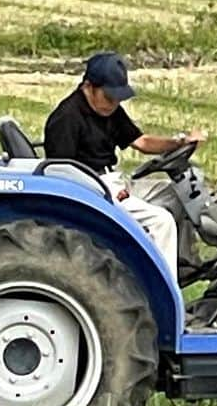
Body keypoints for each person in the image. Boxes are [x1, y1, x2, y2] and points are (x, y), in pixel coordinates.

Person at [43, 52, 204, 279]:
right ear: (89, 86)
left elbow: (142, 142)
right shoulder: (67, 118)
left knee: (179, 194)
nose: (114, 103)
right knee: (161, 221)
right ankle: (165, 291)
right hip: (93, 188)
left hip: (115, 180)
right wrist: (109, 194)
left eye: (118, 98)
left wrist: (179, 142)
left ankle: (185, 264)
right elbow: (61, 173)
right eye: (109, 97)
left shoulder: (109, 111)